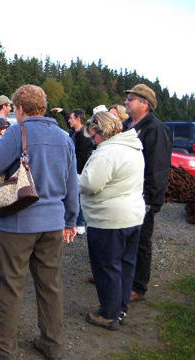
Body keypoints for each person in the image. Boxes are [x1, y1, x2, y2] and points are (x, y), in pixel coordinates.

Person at [0, 85, 78, 360]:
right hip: (53, 224)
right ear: (43, 108)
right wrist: (70, 219)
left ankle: (2, 351)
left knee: (11, 286)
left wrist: (0, 142)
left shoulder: (16, 132)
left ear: (19, 109)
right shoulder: (64, 137)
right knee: (50, 285)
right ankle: (52, 344)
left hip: (18, 224)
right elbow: (72, 183)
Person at [80, 111, 145, 330]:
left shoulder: (107, 153)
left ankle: (108, 314)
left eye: (93, 134)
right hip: (133, 217)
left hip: (109, 220)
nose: (93, 139)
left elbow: (90, 184)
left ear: (101, 131)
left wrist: (75, 179)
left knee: (107, 267)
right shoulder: (132, 147)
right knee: (126, 265)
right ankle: (120, 309)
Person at [122, 84, 172, 302]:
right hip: (123, 194)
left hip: (142, 197)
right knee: (121, 238)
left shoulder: (155, 129)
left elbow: (158, 168)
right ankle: (120, 276)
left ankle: (138, 287)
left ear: (145, 104)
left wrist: (150, 200)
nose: (126, 102)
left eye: (131, 98)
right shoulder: (126, 125)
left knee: (141, 241)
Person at [51, 107, 92, 235]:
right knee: (71, 195)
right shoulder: (74, 131)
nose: (69, 120)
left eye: (71, 118)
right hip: (72, 169)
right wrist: (63, 111)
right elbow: (68, 121)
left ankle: (80, 223)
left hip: (79, 170)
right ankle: (71, 221)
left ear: (78, 119)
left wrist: (74, 169)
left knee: (78, 197)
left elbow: (83, 156)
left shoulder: (84, 135)